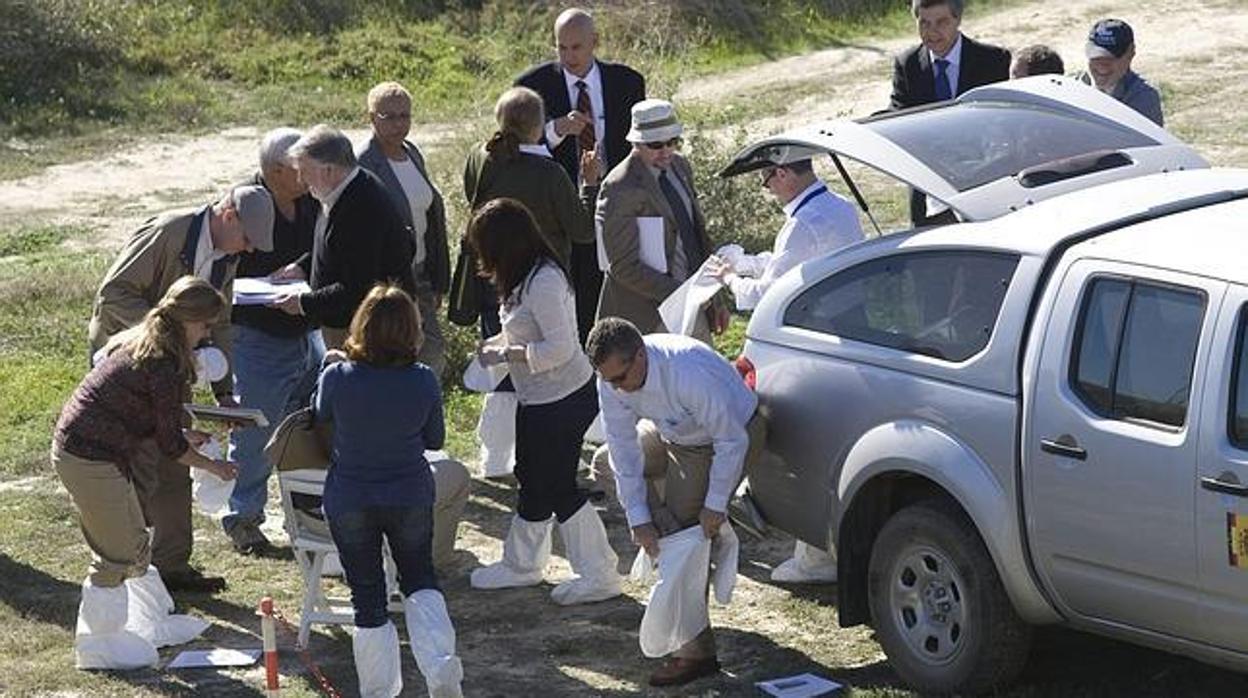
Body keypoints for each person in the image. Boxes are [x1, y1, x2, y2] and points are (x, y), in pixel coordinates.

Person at [275, 125, 470, 572]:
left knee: (353, 422)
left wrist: (303, 303)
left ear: (326, 169)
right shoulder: (344, 192)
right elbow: (335, 252)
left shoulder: (360, 202)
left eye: (304, 171)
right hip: (355, 326)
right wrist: (302, 268)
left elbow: (356, 286)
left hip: (364, 331)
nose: (301, 181)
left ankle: (355, 521)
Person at [89, 183, 275, 592]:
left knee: (177, 459)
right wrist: (167, 334)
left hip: (173, 365)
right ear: (229, 217)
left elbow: (220, 323)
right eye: (246, 239)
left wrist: (225, 393)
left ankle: (171, 566)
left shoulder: (227, 257)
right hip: (128, 365)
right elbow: (112, 295)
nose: (247, 250)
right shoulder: (168, 232)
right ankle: (129, 571)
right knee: (139, 464)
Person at [55, 277, 240, 669]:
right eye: (206, 326)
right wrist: (215, 467)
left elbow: (156, 423)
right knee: (116, 552)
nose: (207, 335)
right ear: (189, 320)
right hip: (88, 456)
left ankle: (145, 623)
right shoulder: (163, 362)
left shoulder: (151, 342)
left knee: (134, 540)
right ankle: (99, 647)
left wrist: (184, 432)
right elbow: (171, 447)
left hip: (94, 450)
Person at [587, 317, 764, 686]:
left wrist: (714, 505)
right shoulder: (612, 379)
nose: (615, 388)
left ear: (640, 357)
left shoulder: (687, 370)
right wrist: (639, 518)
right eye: (608, 381)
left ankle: (697, 654)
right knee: (604, 462)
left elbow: (732, 441)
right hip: (673, 433)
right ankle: (672, 534)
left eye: (620, 378)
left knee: (687, 532)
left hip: (729, 434)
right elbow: (622, 447)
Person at [710, 157, 862, 583]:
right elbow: (789, 266)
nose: (770, 190)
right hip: (846, 331)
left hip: (813, 340)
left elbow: (768, 292)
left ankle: (815, 556)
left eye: (768, 181)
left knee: (805, 444)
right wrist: (747, 263)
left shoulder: (801, 223)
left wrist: (729, 280)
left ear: (782, 174)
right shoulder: (839, 206)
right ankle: (818, 551)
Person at [466, 199, 621, 606]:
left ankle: (601, 572)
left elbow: (562, 348)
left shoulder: (545, 280)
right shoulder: (522, 278)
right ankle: (522, 564)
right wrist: (496, 345)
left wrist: (507, 355)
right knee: (531, 475)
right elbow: (524, 332)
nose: (482, 258)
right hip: (537, 397)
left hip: (563, 397)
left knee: (556, 486)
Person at [314, 285, 463, 698]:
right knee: (420, 578)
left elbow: (317, 414)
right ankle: (440, 665)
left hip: (351, 495)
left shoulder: (338, 377)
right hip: (409, 492)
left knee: (367, 595)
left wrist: (328, 367)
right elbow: (434, 440)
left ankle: (379, 690)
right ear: (411, 330)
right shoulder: (423, 380)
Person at [451, 86, 598, 480]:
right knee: (543, 363)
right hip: (540, 283)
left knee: (501, 364)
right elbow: (582, 230)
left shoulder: (479, 158)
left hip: (492, 278)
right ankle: (540, 449)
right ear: (539, 125)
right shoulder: (549, 173)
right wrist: (590, 185)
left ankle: (495, 457)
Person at [516, 7, 647, 342]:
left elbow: (639, 146)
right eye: (562, 48)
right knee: (571, 292)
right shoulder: (532, 87)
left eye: (577, 47)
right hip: (560, 209)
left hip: (616, 201)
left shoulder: (627, 82)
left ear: (595, 42)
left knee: (618, 285)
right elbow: (517, 147)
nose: (569, 56)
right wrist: (556, 129)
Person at [223, 127, 321, 555]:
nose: (307, 173)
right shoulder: (245, 201)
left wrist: (300, 268)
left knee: (306, 425)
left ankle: (306, 511)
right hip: (257, 333)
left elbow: (322, 246)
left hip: (303, 328)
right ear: (275, 171)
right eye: (298, 167)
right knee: (254, 429)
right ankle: (243, 518)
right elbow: (227, 263)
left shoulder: (309, 198)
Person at [596, 99, 726, 341]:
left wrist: (714, 297)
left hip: (694, 304)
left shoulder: (680, 166)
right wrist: (682, 293)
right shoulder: (619, 187)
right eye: (655, 144)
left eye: (672, 142)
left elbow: (697, 237)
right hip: (650, 319)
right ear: (636, 143)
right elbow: (623, 266)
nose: (666, 151)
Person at [356, 81, 451, 379]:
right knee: (394, 351)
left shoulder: (412, 153)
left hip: (421, 271)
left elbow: (429, 213)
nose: (399, 124)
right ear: (371, 118)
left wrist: (436, 278)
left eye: (404, 116)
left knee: (431, 350)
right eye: (389, 117)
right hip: (389, 278)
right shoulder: (363, 163)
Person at [889, 0, 1010, 227]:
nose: (931, 32)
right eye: (924, 23)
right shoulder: (908, 65)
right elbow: (898, 116)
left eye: (941, 22)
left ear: (958, 20)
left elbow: (1001, 125)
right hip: (929, 188)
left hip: (984, 186)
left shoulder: (992, 61)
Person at [1076, 18, 1164, 127]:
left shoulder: (1142, 97)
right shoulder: (1070, 89)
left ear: (1130, 53)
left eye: (1111, 59)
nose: (1102, 67)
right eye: (1096, 58)